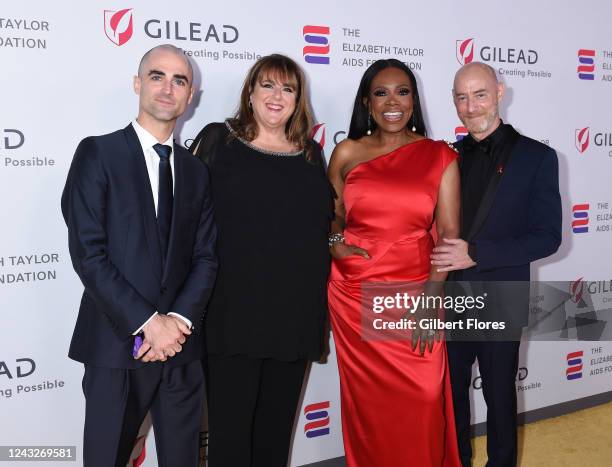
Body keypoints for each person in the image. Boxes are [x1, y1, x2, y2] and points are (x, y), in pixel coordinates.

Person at [61, 44, 217, 467]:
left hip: (182, 348)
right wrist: (151, 325)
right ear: (137, 83)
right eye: (157, 76)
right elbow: (88, 254)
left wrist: (177, 324)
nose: (168, 88)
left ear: (190, 96)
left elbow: (206, 257)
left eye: (179, 81)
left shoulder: (196, 171)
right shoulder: (98, 153)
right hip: (117, 343)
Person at [190, 54, 332, 467]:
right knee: (231, 438)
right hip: (231, 314)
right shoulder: (219, 140)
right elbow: (189, 224)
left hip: (293, 317)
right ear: (250, 92)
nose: (277, 96)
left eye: (288, 88)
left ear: (298, 99)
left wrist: (339, 240)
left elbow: (322, 227)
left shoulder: (310, 153)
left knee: (275, 436)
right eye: (267, 85)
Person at [327, 58, 462, 466]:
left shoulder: (440, 157)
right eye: (381, 92)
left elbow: (450, 235)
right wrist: (335, 242)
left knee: (424, 397)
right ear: (367, 102)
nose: (392, 102)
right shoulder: (347, 152)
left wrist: (430, 297)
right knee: (368, 407)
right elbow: (332, 212)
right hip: (354, 293)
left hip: (416, 292)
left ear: (414, 101)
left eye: (402, 92)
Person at [431, 62, 562, 467]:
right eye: (461, 97)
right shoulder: (444, 155)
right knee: (451, 397)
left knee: (500, 397)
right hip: (449, 298)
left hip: (501, 297)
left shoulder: (538, 157)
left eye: (480, 94)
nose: (470, 107)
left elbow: (547, 237)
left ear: (500, 92)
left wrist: (478, 253)